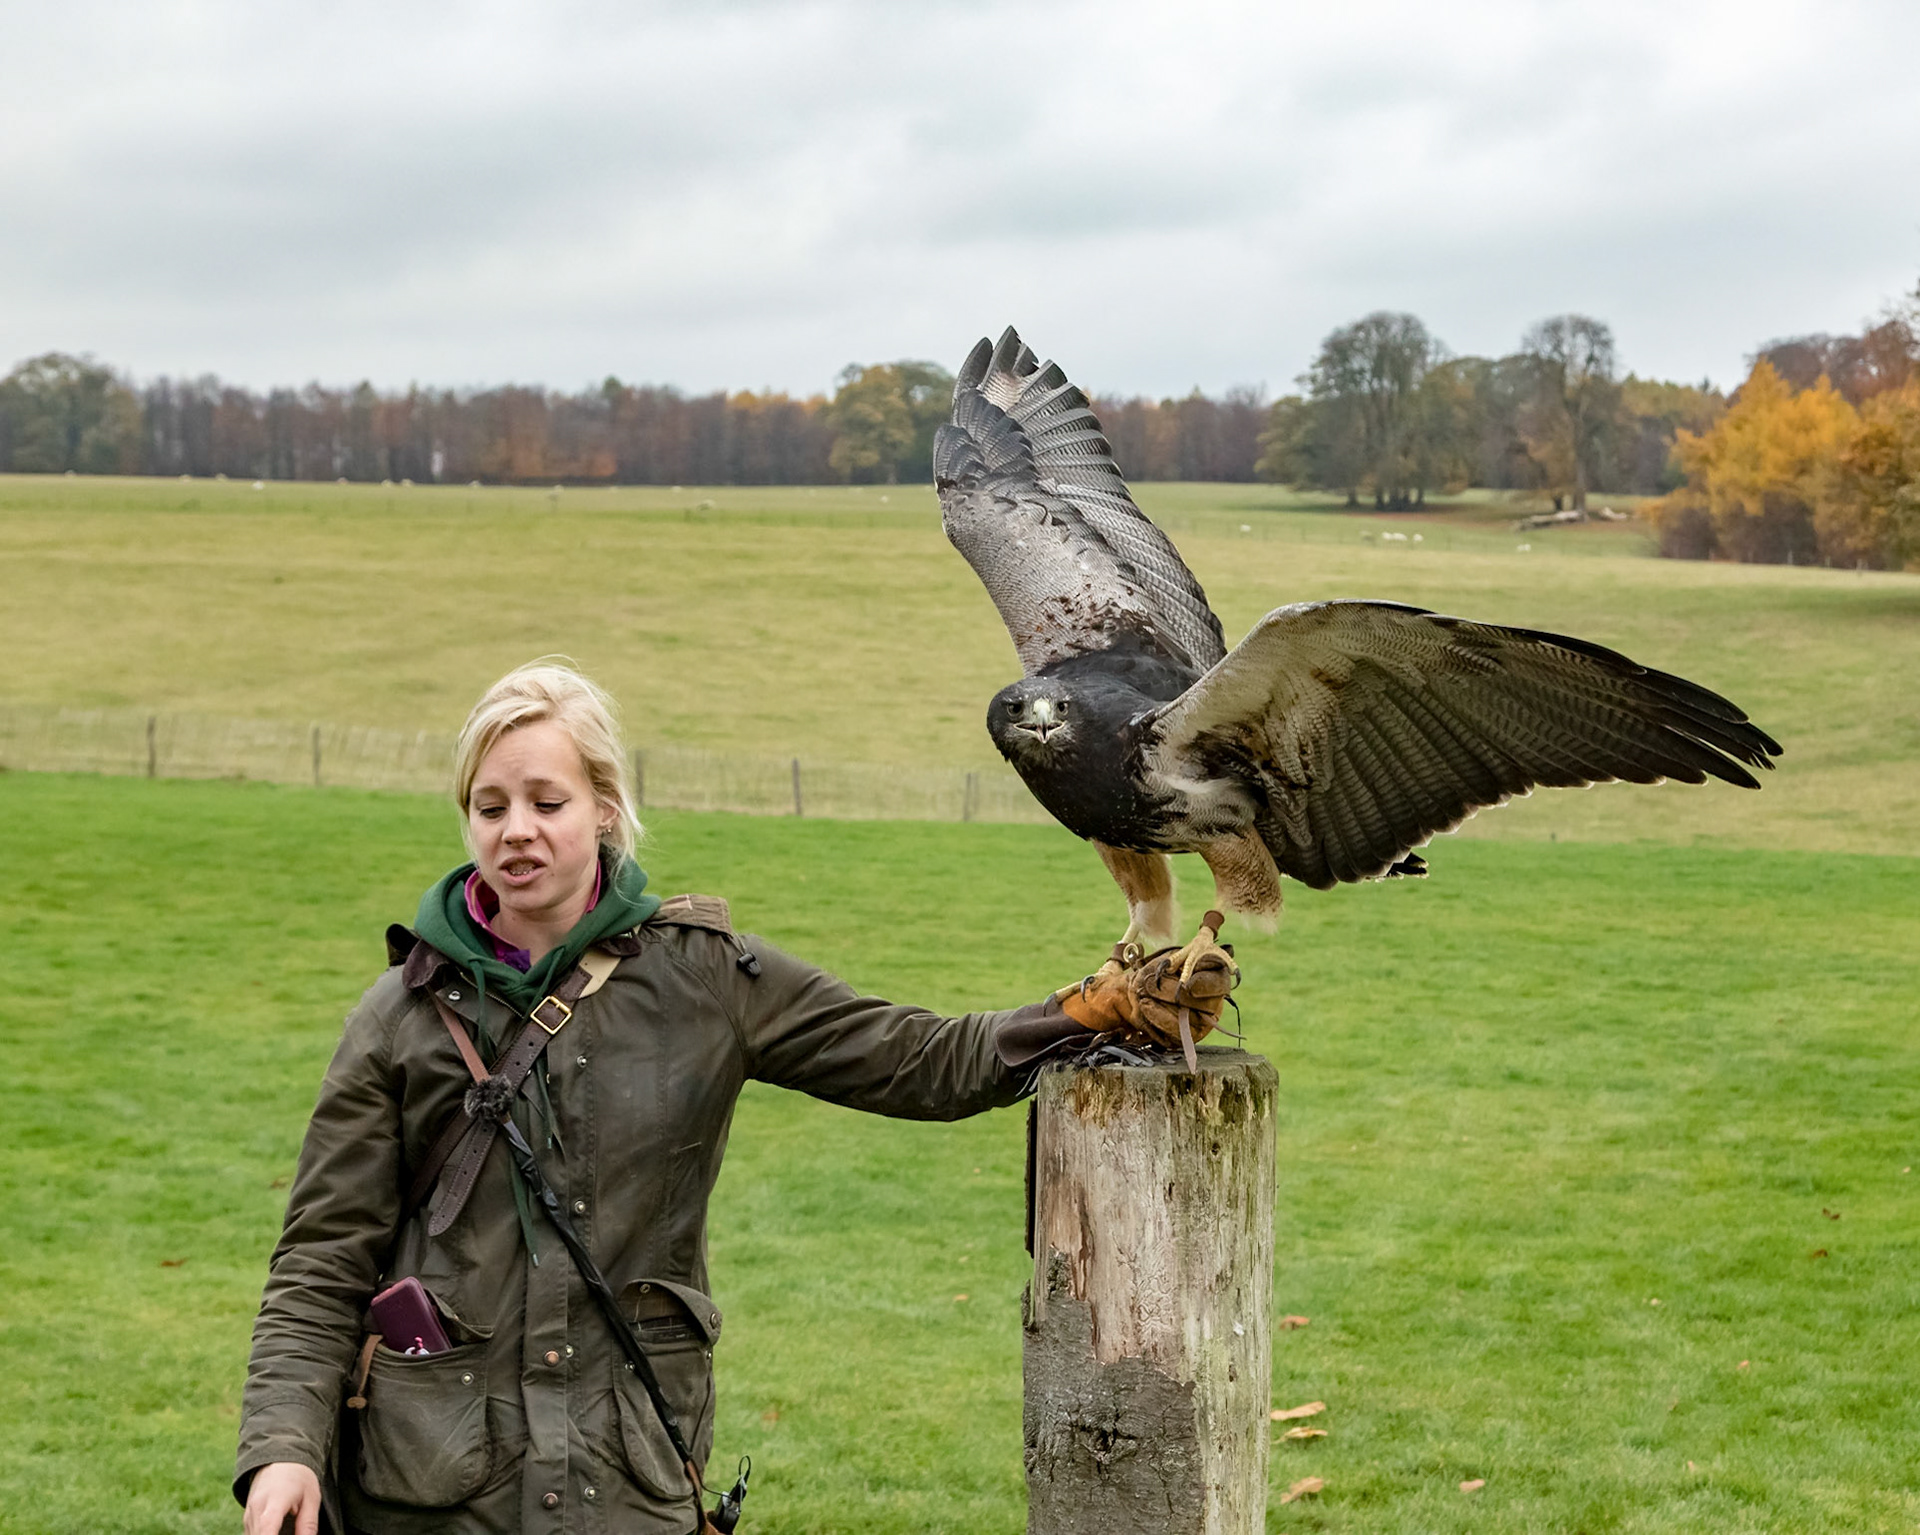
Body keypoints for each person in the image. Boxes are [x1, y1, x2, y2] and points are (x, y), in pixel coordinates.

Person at [236, 660, 1229, 1535]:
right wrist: (284, 1447)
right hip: (435, 1487)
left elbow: (916, 1057)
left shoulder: (705, 979)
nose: (517, 830)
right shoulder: (401, 1014)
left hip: (625, 1480)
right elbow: (321, 1258)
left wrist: (1083, 1013)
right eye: (490, 806)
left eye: (547, 800)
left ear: (605, 808)